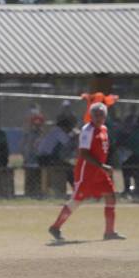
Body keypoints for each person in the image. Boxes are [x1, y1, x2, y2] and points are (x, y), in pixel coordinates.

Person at [48, 103, 126, 241]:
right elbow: (84, 153)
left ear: (105, 116)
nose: (98, 117)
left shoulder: (104, 129)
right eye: (95, 115)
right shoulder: (87, 130)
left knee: (110, 196)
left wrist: (104, 166)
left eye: (101, 115)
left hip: (99, 170)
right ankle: (55, 227)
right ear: (91, 116)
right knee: (77, 200)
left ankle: (109, 232)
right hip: (87, 171)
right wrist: (103, 166)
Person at [36, 117, 76, 189]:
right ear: (65, 127)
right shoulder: (58, 132)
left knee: (67, 165)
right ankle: (76, 188)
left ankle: (75, 188)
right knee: (68, 168)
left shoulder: (54, 130)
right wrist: (74, 136)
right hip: (46, 158)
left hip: (43, 157)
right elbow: (68, 143)